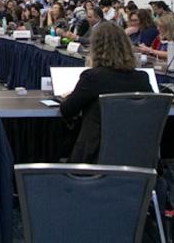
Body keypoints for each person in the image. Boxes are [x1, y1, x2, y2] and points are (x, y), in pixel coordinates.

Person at [58, 22, 151, 163]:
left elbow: (67, 110)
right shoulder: (142, 78)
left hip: (95, 153)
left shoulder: (92, 77)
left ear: (96, 48)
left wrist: (71, 96)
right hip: (135, 154)